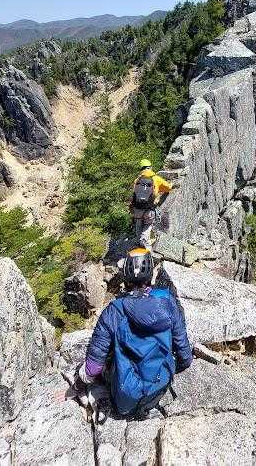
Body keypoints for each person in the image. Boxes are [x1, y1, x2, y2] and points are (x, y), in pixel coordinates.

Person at [77, 247, 192, 419]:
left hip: (126, 398)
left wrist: (79, 383)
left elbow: (93, 369)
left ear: (126, 276)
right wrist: (175, 367)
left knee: (96, 363)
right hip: (159, 386)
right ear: (150, 275)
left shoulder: (114, 310)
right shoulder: (167, 301)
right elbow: (185, 355)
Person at [130, 159, 173, 250]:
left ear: (141, 169)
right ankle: (144, 242)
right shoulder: (156, 178)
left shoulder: (137, 180)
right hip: (149, 208)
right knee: (148, 225)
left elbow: (134, 194)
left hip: (137, 208)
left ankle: (138, 241)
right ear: (150, 168)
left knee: (138, 223)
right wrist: (171, 185)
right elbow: (168, 188)